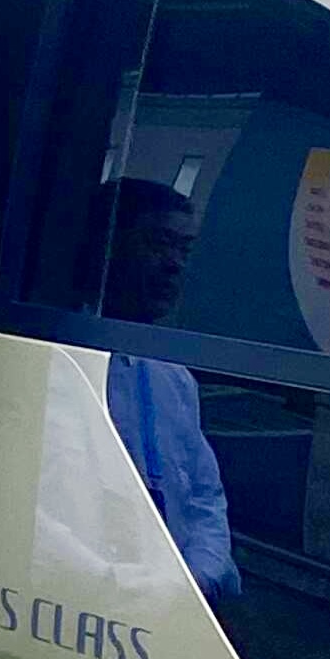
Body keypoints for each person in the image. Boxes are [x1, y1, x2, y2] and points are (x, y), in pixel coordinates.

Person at [100, 177, 242, 604]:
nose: (174, 264)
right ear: (110, 245)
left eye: (185, 249)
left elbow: (205, 497)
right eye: (159, 244)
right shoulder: (67, 363)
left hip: (179, 604)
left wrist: (200, 579)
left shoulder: (173, 375)